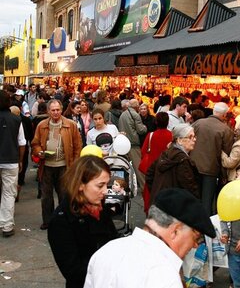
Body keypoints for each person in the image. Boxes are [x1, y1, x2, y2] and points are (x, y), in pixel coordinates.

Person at [84, 188, 216, 288]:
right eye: (196, 237)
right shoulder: (164, 275)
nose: (195, 245)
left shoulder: (107, 251)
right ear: (175, 231)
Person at [47, 156, 118, 288]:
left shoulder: (99, 207)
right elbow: (74, 273)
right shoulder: (61, 221)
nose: (105, 191)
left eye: (106, 185)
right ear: (80, 185)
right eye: (100, 185)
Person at [31, 99, 82, 230]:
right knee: (46, 197)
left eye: (58, 110)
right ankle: (48, 221)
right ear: (48, 111)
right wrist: (39, 152)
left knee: (64, 195)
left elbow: (78, 146)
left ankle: (65, 219)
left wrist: (75, 164)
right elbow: (35, 143)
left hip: (64, 166)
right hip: (46, 166)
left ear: (62, 109)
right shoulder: (41, 125)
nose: (55, 112)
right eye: (53, 110)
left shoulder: (70, 125)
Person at [191, 102, 234, 215]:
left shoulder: (198, 123)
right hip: (211, 168)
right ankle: (205, 227)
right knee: (207, 201)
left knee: (193, 196)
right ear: (224, 115)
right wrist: (224, 174)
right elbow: (227, 152)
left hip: (193, 165)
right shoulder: (225, 130)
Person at [147, 123, 200, 204]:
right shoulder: (182, 160)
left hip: (160, 203)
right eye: (190, 137)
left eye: (194, 136)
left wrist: (156, 192)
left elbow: (149, 174)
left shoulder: (166, 153)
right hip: (174, 208)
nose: (194, 139)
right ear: (179, 140)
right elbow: (189, 187)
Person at [0, 91, 26, 237]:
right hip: (11, 160)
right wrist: (20, 159)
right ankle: (7, 225)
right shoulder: (16, 119)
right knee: (9, 193)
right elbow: (22, 142)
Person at [118, 99, 147, 189]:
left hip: (123, 143)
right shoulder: (135, 115)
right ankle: (144, 187)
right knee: (139, 168)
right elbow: (141, 130)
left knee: (125, 167)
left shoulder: (123, 114)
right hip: (133, 143)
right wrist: (145, 127)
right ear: (136, 106)